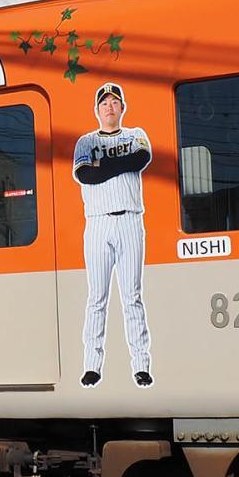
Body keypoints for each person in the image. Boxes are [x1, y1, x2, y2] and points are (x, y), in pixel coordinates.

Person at [73, 82, 154, 388]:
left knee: (132, 296)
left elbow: (140, 158)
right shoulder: (85, 141)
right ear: (97, 109)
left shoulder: (136, 134)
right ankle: (92, 365)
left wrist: (104, 165)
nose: (109, 106)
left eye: (114, 101)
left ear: (122, 107)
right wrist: (117, 165)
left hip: (130, 219)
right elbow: (85, 174)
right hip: (97, 223)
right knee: (97, 297)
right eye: (104, 102)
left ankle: (141, 365)